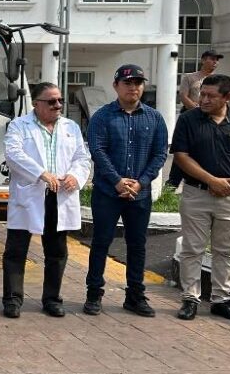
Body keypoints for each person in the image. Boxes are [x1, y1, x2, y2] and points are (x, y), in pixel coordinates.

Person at [172, 74, 230, 322]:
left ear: (227, 97)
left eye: (210, 96)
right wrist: (211, 180)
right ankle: (190, 299)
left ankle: (221, 300)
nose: (203, 99)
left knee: (225, 250)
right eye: (202, 94)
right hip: (196, 193)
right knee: (192, 249)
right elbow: (181, 155)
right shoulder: (188, 120)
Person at [82, 65, 168, 317]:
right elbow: (98, 151)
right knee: (101, 242)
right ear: (116, 86)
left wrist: (140, 182)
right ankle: (94, 293)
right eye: (128, 82)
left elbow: (160, 153)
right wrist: (118, 181)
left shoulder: (154, 118)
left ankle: (135, 295)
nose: (134, 87)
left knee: (137, 244)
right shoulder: (103, 117)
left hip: (139, 194)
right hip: (108, 193)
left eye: (138, 82)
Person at [1, 82, 91, 319]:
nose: (58, 105)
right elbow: (13, 154)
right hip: (31, 193)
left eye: (60, 100)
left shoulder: (71, 127)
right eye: (51, 101)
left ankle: (52, 299)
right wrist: (41, 173)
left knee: (57, 251)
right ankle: (12, 299)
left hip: (59, 195)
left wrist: (75, 176)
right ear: (36, 103)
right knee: (16, 249)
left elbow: (83, 157)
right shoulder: (20, 126)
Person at [171, 51, 223, 188]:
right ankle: (171, 186)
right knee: (182, 150)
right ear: (203, 60)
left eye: (217, 60)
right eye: (212, 59)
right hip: (191, 116)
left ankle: (209, 182)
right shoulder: (190, 77)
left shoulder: (219, 80)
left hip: (212, 119)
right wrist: (197, 110)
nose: (215, 62)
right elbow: (183, 95)